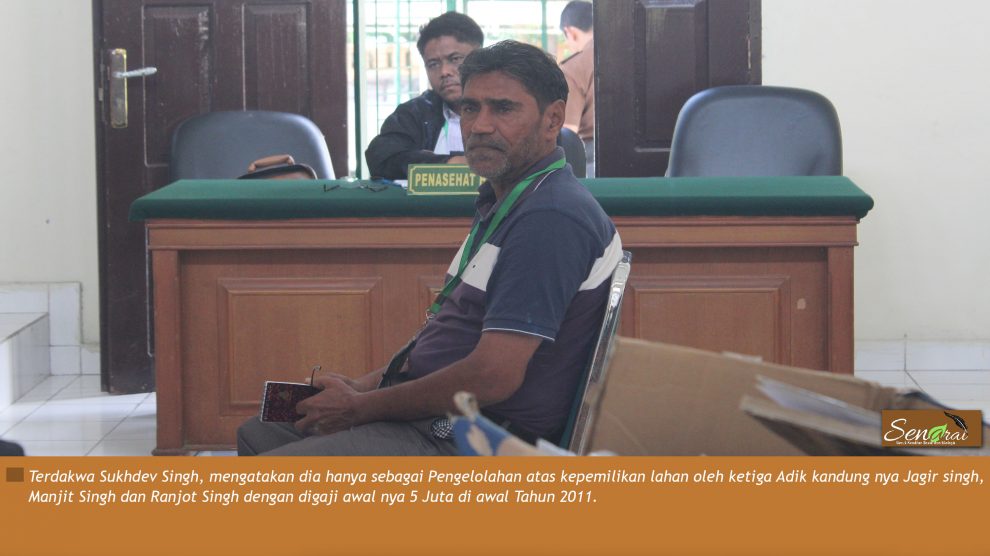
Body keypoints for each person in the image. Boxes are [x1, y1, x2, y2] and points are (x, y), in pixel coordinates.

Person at [237, 40, 623, 456]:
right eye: (470, 108)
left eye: (503, 109)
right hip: (436, 416)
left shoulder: (550, 218)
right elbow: (446, 340)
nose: (480, 126)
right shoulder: (510, 201)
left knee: (268, 473)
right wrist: (361, 387)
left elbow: (493, 376)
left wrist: (361, 407)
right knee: (260, 431)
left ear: (553, 120)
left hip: (475, 439)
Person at [364, 12, 484, 180]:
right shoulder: (416, 113)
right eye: (433, 64)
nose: (444, 72)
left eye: (455, 59)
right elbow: (381, 158)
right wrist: (447, 164)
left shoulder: (506, 108)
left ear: (480, 57)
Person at [558, 0, 595, 177]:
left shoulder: (574, 68)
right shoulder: (629, 54)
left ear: (570, 32)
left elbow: (567, 133)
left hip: (591, 160)